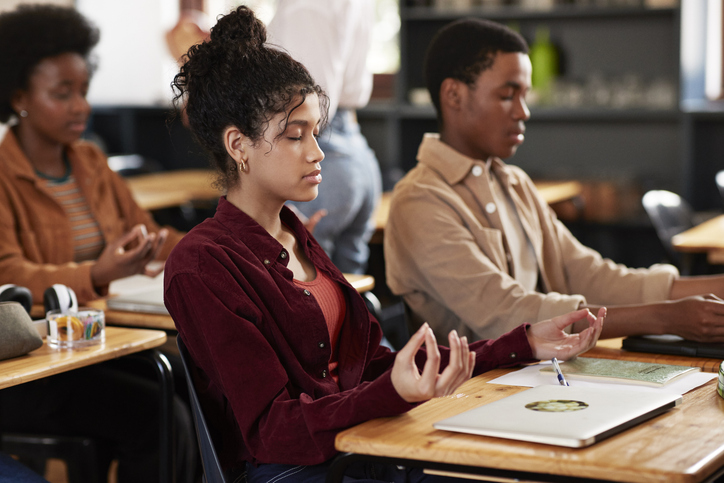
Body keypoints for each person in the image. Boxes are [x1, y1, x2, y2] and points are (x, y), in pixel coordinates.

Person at [164, 6, 605, 482]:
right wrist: (391, 394)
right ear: (238, 146)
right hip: (303, 471)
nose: (318, 152)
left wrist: (521, 344)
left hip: (362, 450)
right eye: (295, 136)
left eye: (316, 132)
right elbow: (273, 430)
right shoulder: (202, 264)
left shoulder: (294, 233)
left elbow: (375, 366)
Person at [383, 17, 724, 345]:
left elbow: (588, 275)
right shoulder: (419, 200)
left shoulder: (515, 184)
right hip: (471, 392)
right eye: (507, 95)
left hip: (539, 373)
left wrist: (713, 289)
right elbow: (511, 313)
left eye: (524, 95)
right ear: (454, 96)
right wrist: (666, 318)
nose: (523, 111)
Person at [0, 5, 195, 482]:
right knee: (159, 414)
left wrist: (237, 245)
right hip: (35, 364)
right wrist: (96, 275)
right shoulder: (2, 175)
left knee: (195, 385)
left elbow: (153, 234)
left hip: (97, 343)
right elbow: (8, 276)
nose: (80, 106)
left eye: (83, 92)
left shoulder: (89, 161)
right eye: (61, 94)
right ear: (20, 96)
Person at [266, 0, 382, 274]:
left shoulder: (305, 7)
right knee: (347, 295)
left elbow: (304, 103)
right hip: (354, 153)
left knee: (307, 290)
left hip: (324, 151)